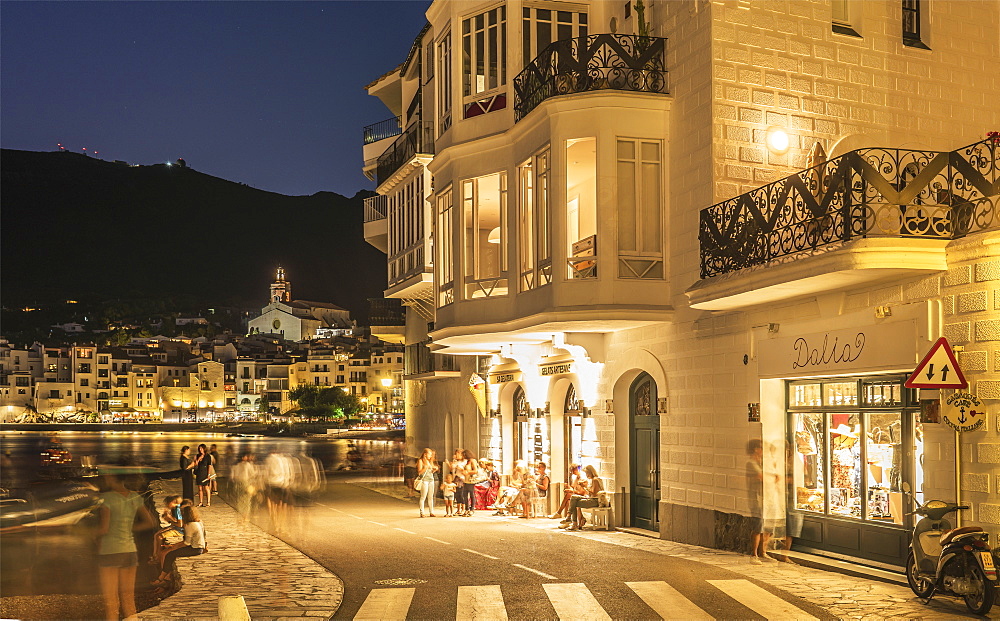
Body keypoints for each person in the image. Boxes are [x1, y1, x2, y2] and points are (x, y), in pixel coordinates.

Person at [96, 471, 156, 621]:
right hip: (130, 550)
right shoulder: (135, 497)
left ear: (112, 477)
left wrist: (88, 533)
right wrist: (131, 529)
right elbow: (150, 522)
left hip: (110, 551)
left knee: (111, 600)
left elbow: (104, 529)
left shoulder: (107, 498)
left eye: (107, 475)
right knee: (128, 598)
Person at [152, 504, 207, 586]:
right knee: (171, 552)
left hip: (194, 548)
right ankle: (165, 577)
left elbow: (186, 543)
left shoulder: (189, 525)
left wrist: (174, 546)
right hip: (199, 547)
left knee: (170, 555)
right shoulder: (198, 522)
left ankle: (161, 578)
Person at [745, 438, 774, 564]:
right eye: (761, 448)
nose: (763, 451)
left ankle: (763, 552)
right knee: (757, 526)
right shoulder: (751, 463)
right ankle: (754, 554)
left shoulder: (761, 462)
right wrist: (771, 476)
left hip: (764, 498)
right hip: (756, 499)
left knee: (765, 526)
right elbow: (760, 477)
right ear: (756, 449)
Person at [563, 464, 603, 531]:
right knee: (573, 498)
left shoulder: (595, 480)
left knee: (574, 502)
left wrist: (585, 487)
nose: (587, 475)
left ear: (590, 472)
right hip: (591, 499)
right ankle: (570, 518)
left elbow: (594, 492)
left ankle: (572, 521)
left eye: (587, 473)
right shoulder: (594, 480)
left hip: (595, 501)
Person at [151, 495, 184, 567]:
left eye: (168, 503)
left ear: (173, 502)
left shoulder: (178, 509)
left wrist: (170, 518)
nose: (167, 505)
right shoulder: (174, 509)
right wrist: (167, 518)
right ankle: (155, 555)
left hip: (179, 530)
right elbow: (173, 522)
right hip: (174, 526)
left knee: (159, 537)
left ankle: (158, 557)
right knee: (156, 534)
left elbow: (180, 524)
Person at [416, 448, 438, 518]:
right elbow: (419, 472)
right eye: (429, 454)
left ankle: (431, 511)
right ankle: (422, 512)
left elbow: (430, 471)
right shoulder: (421, 461)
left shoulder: (430, 461)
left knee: (431, 497)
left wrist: (434, 470)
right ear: (425, 454)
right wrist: (425, 468)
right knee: (423, 496)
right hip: (424, 480)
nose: (430, 456)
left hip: (431, 480)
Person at [460, 449, 480, 517]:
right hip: (466, 480)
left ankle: (472, 509)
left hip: (471, 480)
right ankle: (467, 508)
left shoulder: (472, 461)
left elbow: (475, 470)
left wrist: (468, 472)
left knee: (471, 494)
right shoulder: (467, 461)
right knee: (464, 495)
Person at [449, 449, 468, 516]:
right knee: (457, 494)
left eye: (458, 454)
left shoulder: (465, 462)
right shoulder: (456, 462)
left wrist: (461, 469)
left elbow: (467, 470)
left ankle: (464, 509)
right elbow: (451, 470)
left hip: (462, 478)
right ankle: (458, 509)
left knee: (462, 494)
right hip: (456, 478)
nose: (456, 455)